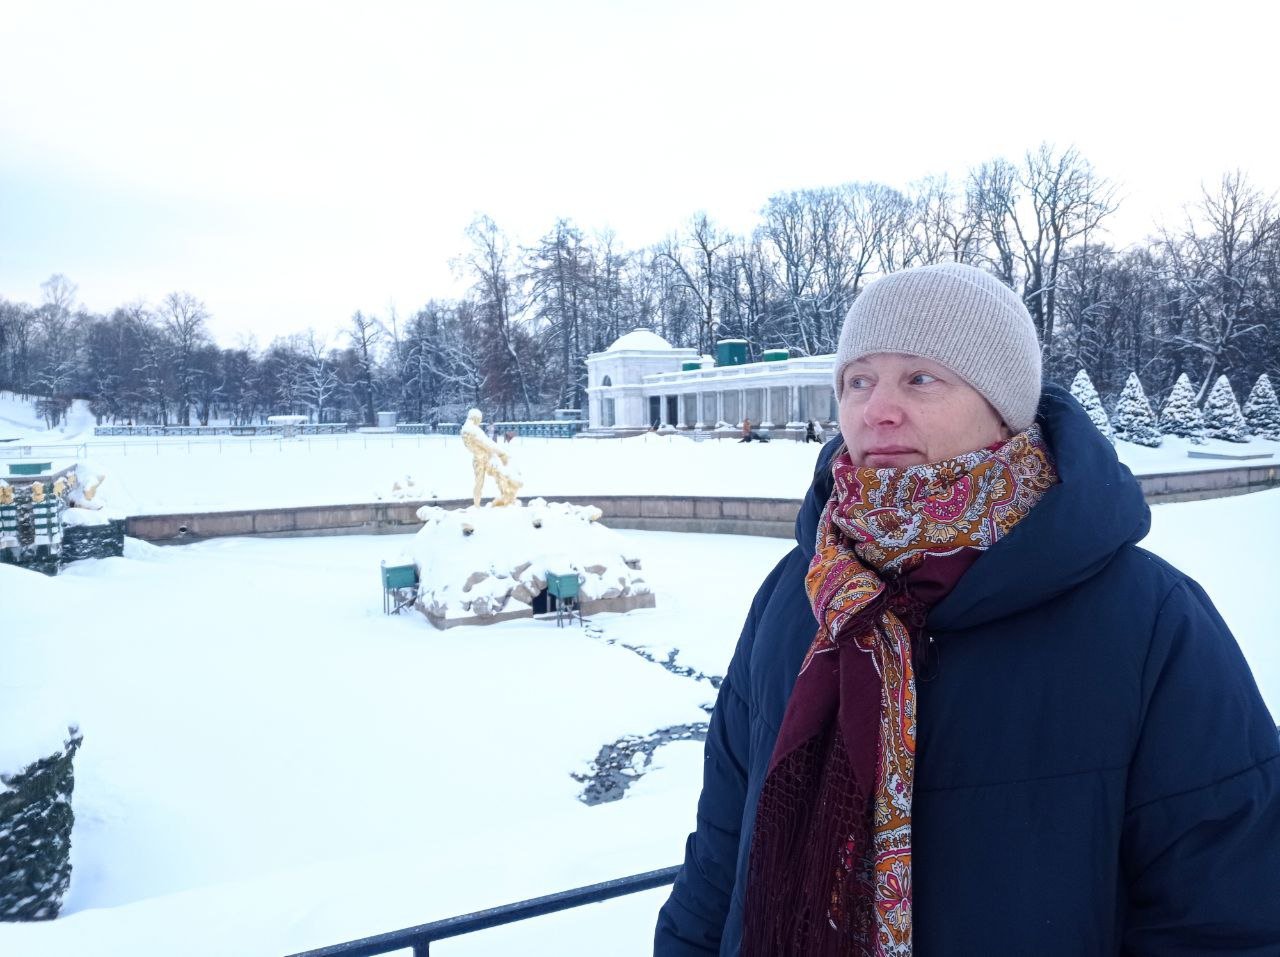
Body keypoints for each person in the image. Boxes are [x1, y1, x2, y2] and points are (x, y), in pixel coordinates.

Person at [655, 262, 1280, 955]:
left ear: (1003, 408)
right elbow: (720, 858)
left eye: (921, 378)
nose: (877, 409)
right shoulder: (797, 593)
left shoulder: (1151, 622)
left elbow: (1225, 918)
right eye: (858, 380)